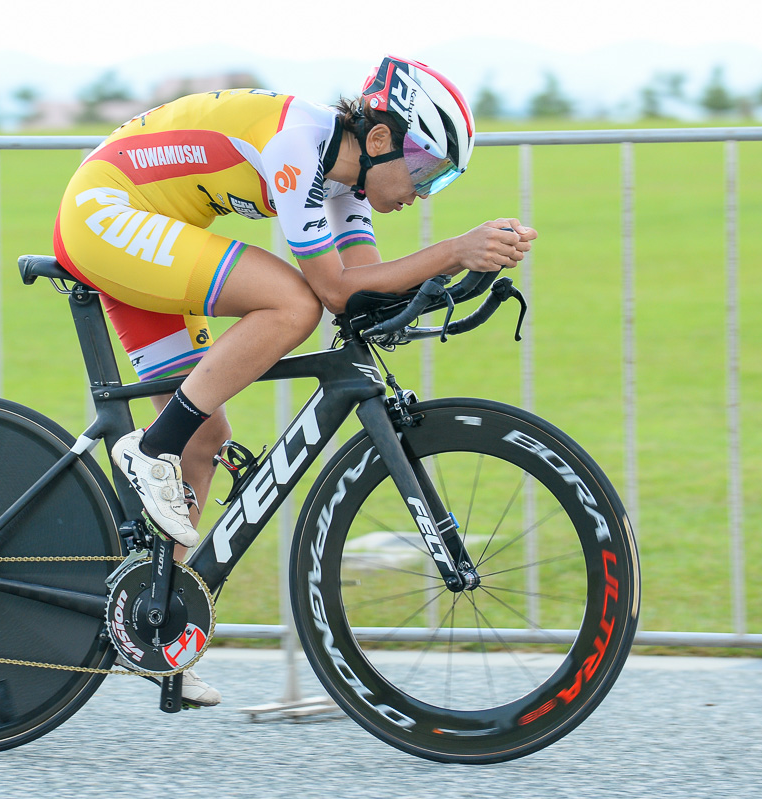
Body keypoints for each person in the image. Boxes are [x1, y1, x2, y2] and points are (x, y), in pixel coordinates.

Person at [52, 55, 536, 706]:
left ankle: (161, 627)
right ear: (380, 139)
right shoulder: (297, 148)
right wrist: (453, 248)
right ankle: (148, 447)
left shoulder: (345, 185)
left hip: (142, 224)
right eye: (426, 168)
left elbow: (367, 287)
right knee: (291, 303)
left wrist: (454, 279)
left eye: (440, 180)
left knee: (206, 438)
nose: (422, 191)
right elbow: (332, 290)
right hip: (104, 211)